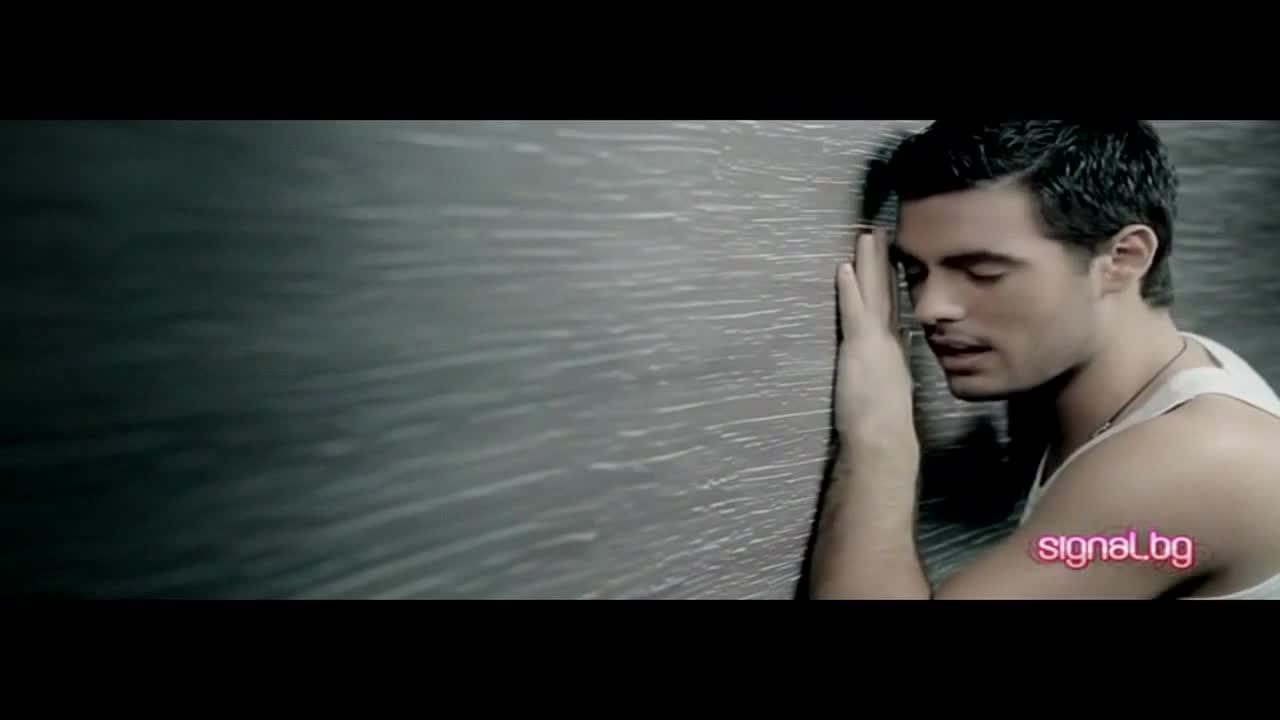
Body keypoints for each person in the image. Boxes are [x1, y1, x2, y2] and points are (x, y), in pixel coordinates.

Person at [809, 120, 1280, 599]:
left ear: (1123, 258)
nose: (930, 308)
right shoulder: (1166, 367)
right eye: (914, 272)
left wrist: (879, 435)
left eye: (982, 272)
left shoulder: (1195, 461)